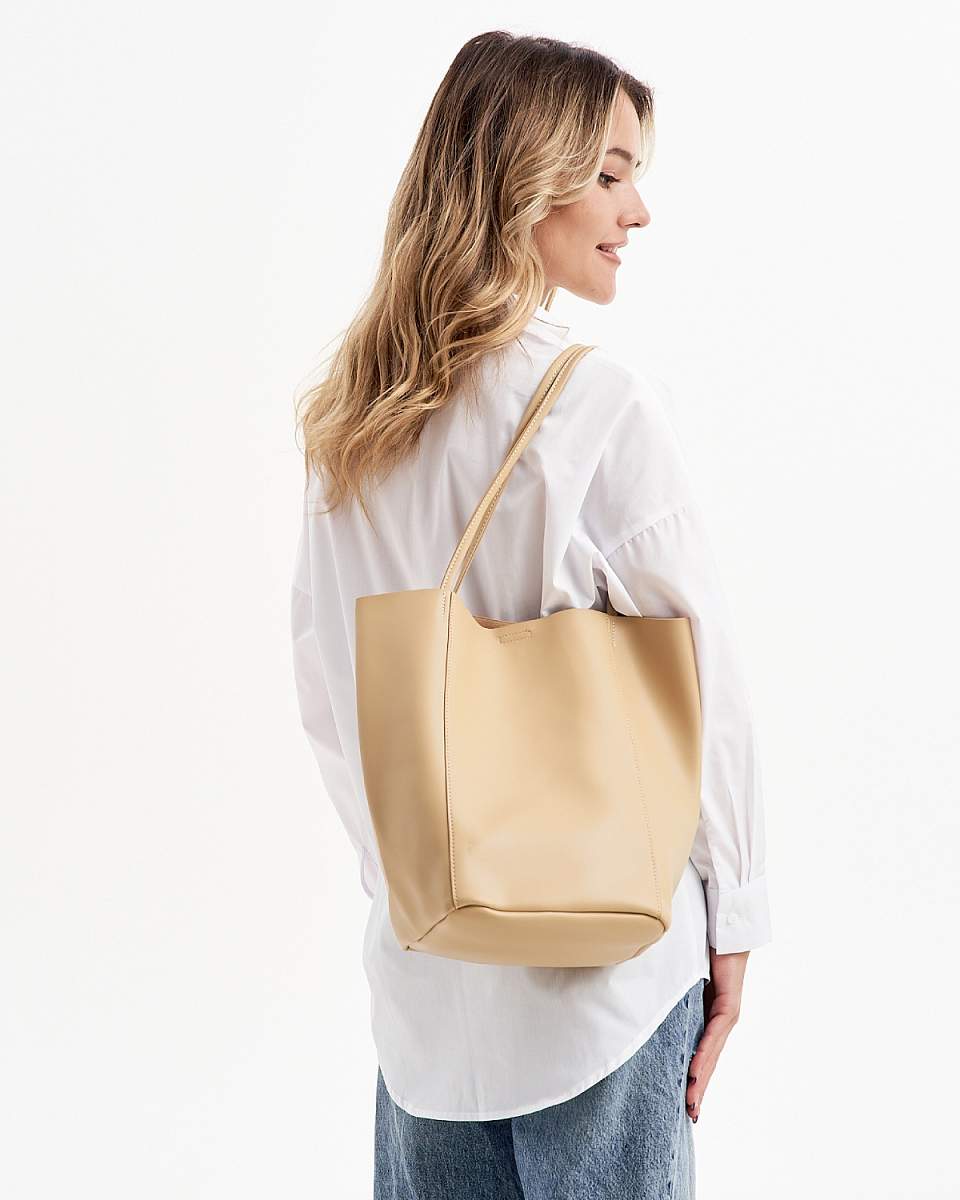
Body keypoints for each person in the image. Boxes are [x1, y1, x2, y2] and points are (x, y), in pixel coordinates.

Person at [290, 30, 772, 1199]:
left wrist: (411, 886)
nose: (637, 210)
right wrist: (736, 917)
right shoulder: (595, 406)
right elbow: (704, 688)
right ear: (525, 179)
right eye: (610, 173)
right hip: (603, 982)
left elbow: (329, 697)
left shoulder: (354, 428)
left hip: (427, 1003)